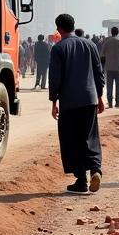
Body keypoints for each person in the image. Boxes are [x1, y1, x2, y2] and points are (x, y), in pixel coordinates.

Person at [48, 12, 104, 195]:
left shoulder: (58, 49)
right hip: (89, 100)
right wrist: (100, 97)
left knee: (72, 140)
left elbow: (55, 78)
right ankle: (95, 170)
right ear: (73, 26)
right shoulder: (90, 45)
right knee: (90, 137)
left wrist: (53, 102)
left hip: (69, 103)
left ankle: (81, 181)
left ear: (58, 28)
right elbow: (98, 73)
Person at [100, 26, 119, 108]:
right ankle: (117, 102)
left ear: (111, 32)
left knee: (109, 86)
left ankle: (110, 103)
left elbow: (102, 54)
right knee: (118, 86)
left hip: (109, 68)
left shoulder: (107, 42)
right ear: (118, 32)